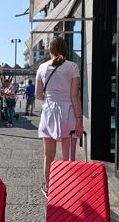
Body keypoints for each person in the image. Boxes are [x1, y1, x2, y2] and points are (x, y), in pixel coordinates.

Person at [35, 36, 83, 197]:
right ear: (65, 49)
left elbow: (37, 95)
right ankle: (68, 190)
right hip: (68, 112)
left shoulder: (41, 67)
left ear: (50, 49)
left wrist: (50, 98)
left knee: (48, 156)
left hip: (49, 112)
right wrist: (79, 120)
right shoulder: (73, 67)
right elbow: (75, 95)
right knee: (69, 156)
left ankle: (50, 189)